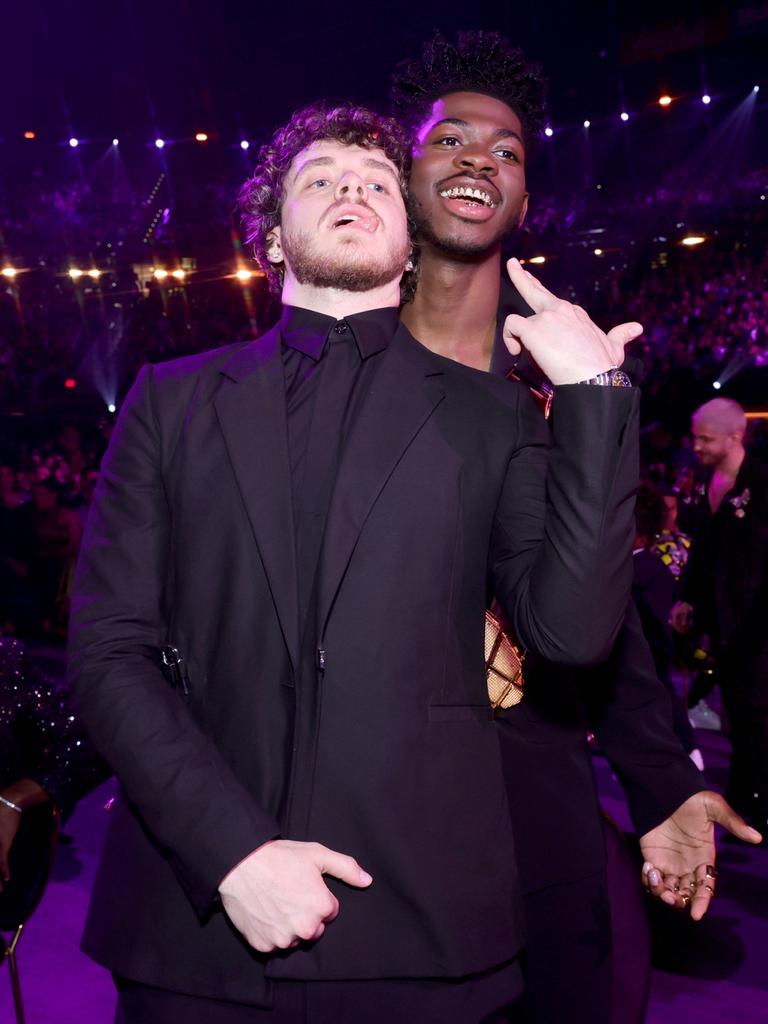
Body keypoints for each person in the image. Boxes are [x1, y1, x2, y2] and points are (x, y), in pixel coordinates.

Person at [70, 102, 645, 1023]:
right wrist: (232, 853)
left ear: (411, 242)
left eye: (377, 181)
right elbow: (108, 651)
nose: (352, 188)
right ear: (269, 235)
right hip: (201, 934)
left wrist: (594, 399)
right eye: (321, 178)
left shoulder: (491, 414)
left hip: (425, 935)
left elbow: (572, 635)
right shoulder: (169, 402)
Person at [390, 30, 760, 1023]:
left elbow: (608, 611)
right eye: (450, 140)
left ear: (524, 196)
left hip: (539, 801)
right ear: (400, 175)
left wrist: (664, 785)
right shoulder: (335, 382)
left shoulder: (554, 392)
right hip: (383, 819)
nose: (481, 160)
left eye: (507, 150)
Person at [672, 397, 768, 835]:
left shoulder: (763, 484)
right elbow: (704, 550)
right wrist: (687, 598)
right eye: (695, 437)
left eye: (705, 438)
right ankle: (746, 796)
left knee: (757, 714)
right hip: (724, 621)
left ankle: (757, 803)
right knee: (739, 713)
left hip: (757, 622)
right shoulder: (705, 482)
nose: (697, 446)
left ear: (735, 437)